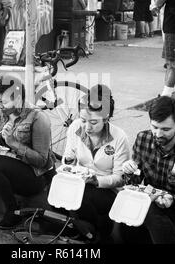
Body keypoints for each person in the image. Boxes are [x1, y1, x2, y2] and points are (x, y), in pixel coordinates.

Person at [121, 96, 175, 244]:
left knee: (150, 212)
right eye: (154, 127)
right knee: (123, 218)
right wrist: (129, 171)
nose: (158, 134)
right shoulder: (142, 138)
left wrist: (173, 201)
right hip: (147, 202)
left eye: (166, 129)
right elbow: (133, 181)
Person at [0, 75, 56, 229]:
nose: (0, 106)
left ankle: (12, 211)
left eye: (4, 101)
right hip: (14, 165)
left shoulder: (38, 117)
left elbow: (42, 161)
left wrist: (13, 143)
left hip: (36, 176)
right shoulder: (4, 112)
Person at [62, 84, 131, 243]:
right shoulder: (75, 127)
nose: (86, 127)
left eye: (93, 122)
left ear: (106, 119)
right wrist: (68, 161)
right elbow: (68, 156)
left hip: (108, 190)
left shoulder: (119, 138)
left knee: (84, 194)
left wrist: (96, 181)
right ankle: (83, 230)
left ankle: (98, 233)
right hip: (81, 182)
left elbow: (120, 178)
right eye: (83, 120)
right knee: (59, 190)